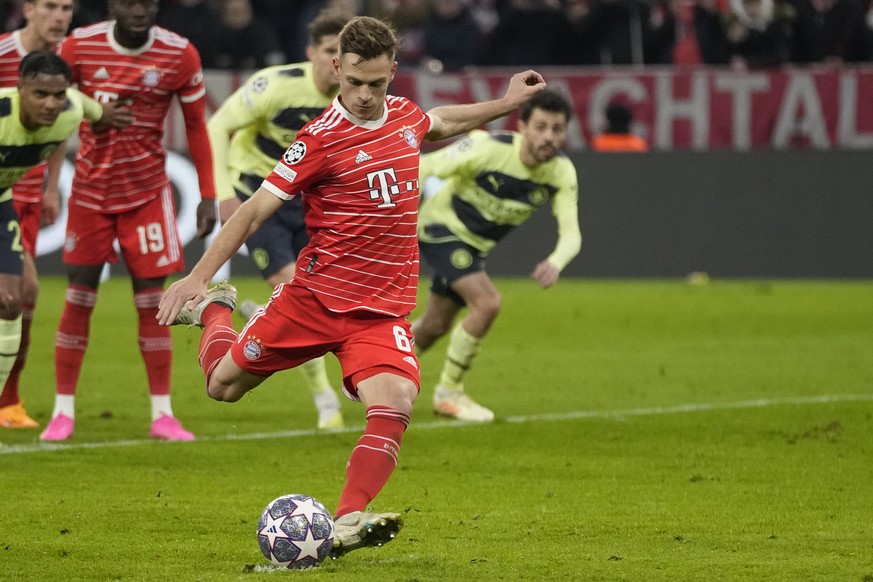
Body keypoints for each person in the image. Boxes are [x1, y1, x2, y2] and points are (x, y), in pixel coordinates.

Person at [156, 16, 545, 555]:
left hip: (381, 311)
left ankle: (346, 521)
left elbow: (441, 121)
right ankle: (215, 314)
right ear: (337, 68)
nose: (365, 95)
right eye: (355, 82)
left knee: (397, 401)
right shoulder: (317, 140)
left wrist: (505, 104)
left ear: (392, 74)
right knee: (222, 386)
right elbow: (251, 213)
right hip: (312, 301)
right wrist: (200, 280)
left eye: (377, 84)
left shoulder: (403, 116)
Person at [40, 0, 217, 442]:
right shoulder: (79, 46)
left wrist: (209, 192)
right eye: (127, 2)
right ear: (111, 5)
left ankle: (163, 415)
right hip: (89, 194)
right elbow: (52, 105)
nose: (138, 10)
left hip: (147, 195)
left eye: (146, 2)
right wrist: (89, 116)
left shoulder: (180, 54)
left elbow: (197, 125)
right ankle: (62, 413)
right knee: (78, 298)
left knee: (153, 304)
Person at [207, 8, 349, 430]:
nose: (337, 61)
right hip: (260, 195)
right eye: (329, 51)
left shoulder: (352, 101)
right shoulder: (276, 86)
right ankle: (325, 400)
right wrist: (223, 194)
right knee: (295, 293)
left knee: (325, 301)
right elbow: (216, 126)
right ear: (312, 53)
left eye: (345, 52)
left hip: (311, 204)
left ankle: (259, 315)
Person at [412, 89, 582, 422]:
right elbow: (423, 166)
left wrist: (555, 261)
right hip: (439, 229)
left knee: (434, 326)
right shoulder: (487, 148)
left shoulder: (561, 173)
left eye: (557, 129)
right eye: (541, 126)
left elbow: (572, 233)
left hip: (473, 248)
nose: (549, 137)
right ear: (523, 127)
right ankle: (449, 393)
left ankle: (378, 371)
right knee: (487, 303)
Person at [0, 52, 121, 427]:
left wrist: (113, 115)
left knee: (12, 300)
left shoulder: (72, 107)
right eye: (39, 94)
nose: (51, 104)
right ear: (19, 89)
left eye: (57, 95)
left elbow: (100, 112)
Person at [0, 0, 74, 429]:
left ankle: (9, 399)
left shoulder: (61, 63)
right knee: (22, 286)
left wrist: (51, 186)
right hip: (4, 194)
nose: (59, 16)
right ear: (28, 9)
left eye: (66, 7)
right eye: (50, 6)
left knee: (23, 294)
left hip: (27, 192)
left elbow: (60, 124)